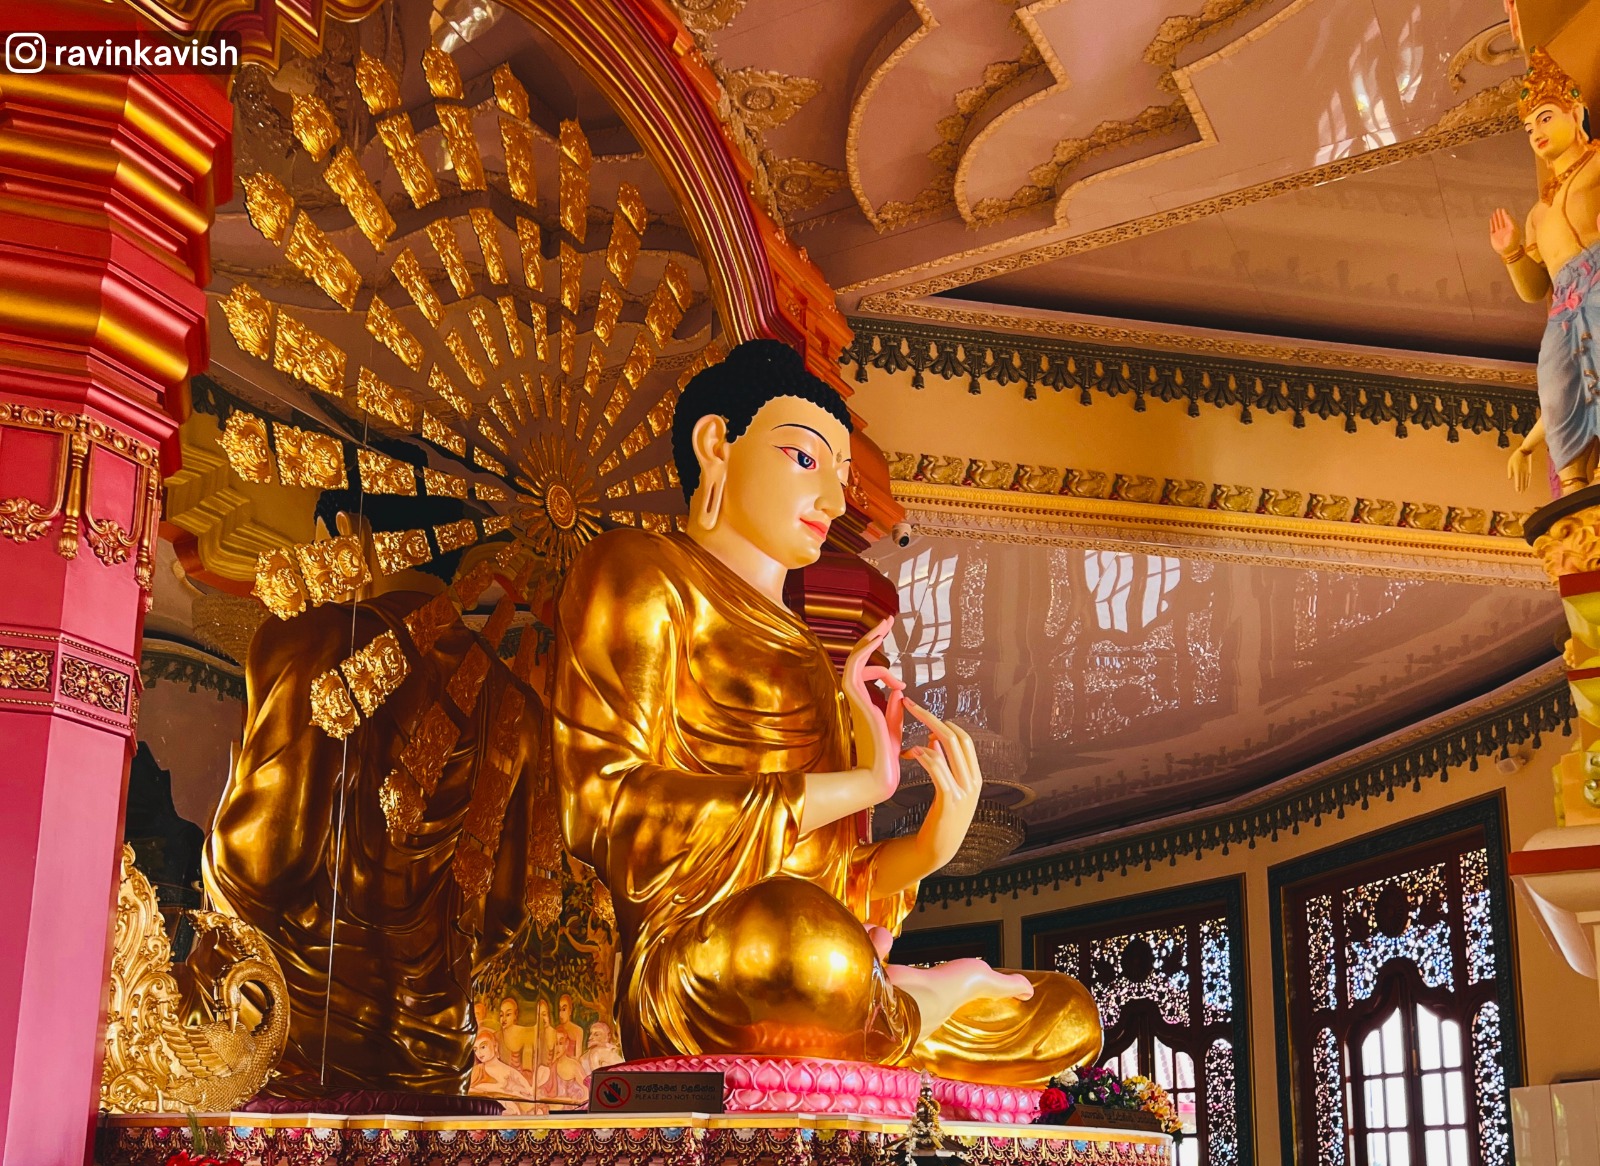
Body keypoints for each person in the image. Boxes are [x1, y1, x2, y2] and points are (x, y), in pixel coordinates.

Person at [551, 339, 1101, 1084]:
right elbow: (605, 807)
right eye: (805, 460)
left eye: (841, 478)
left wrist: (936, 841)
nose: (836, 504)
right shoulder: (638, 571)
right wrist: (862, 786)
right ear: (718, 444)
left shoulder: (817, 661)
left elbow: (835, 879)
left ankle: (894, 1006)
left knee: (1068, 1015)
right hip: (708, 960)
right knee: (802, 952)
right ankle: (908, 1005)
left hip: (817, 954)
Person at [205, 489, 543, 1092]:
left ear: (349, 532)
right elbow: (505, 912)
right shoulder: (516, 703)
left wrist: (216, 837)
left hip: (303, 1032)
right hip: (436, 1043)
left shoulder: (313, 641)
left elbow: (265, 861)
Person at [1493, 49, 1600, 496]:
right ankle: (1574, 484)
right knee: (1555, 383)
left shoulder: (1596, 166)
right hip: (1563, 301)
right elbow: (1535, 290)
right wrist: (1512, 252)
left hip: (1596, 281)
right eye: (1528, 126)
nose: (1535, 131)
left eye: (1545, 117)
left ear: (1576, 113)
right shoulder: (1538, 213)